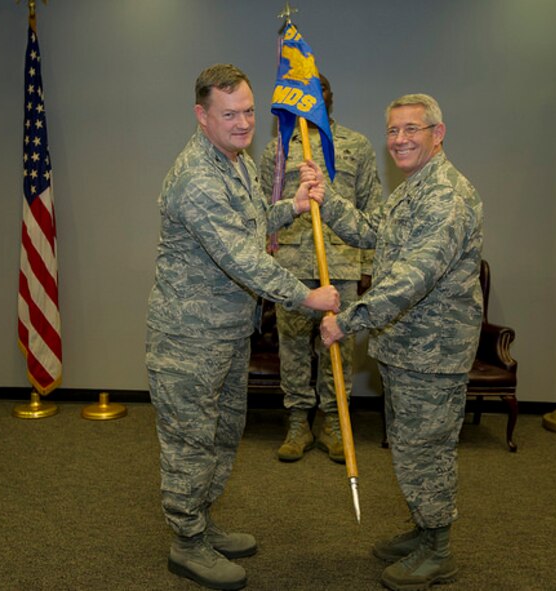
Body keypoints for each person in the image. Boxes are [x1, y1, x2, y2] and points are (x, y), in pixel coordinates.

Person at [145, 64, 340, 591]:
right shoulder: (198, 178)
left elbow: (249, 222)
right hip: (189, 339)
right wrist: (305, 296)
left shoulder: (233, 163)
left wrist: (292, 207)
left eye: (249, 111)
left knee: (223, 434)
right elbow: (241, 258)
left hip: (229, 333)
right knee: (190, 441)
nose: (243, 122)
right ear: (202, 116)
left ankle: (203, 523)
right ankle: (186, 543)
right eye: (229, 114)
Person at [317, 93, 483, 590]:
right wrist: (326, 200)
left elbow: (411, 278)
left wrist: (348, 320)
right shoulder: (414, 189)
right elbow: (374, 231)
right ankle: (423, 530)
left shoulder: (446, 197)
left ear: (439, 133)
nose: (400, 139)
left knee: (426, 451)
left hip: (432, 354)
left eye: (412, 129)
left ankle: (440, 551)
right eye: (393, 130)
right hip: (406, 349)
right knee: (411, 450)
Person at [259, 73, 383, 463]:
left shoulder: (356, 146)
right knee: (293, 346)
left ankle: (333, 419)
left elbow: (372, 209)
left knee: (339, 345)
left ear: (329, 97)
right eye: (307, 91)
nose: (314, 96)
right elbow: (263, 212)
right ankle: (298, 421)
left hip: (342, 262)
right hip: (292, 267)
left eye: (322, 89)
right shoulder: (276, 151)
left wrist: (367, 266)